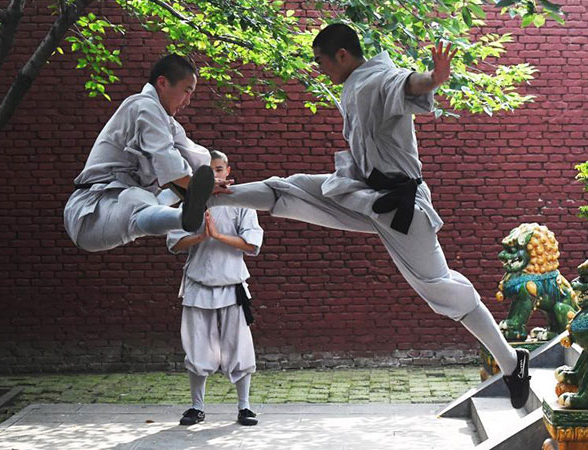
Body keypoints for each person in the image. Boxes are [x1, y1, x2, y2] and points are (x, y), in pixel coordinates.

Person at [209, 23, 530, 408]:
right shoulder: (354, 84)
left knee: (438, 286)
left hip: (400, 207)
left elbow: (407, 83)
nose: (320, 69)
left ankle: (512, 362)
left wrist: (435, 78)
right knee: (291, 188)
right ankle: (213, 199)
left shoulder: (378, 77)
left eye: (321, 61)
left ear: (342, 55)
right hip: (361, 192)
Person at [63, 54, 216, 252]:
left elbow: (194, 156)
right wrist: (197, 186)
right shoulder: (144, 106)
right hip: (90, 213)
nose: (187, 101)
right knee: (139, 199)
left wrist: (210, 186)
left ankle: (186, 212)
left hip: (121, 205)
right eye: (186, 91)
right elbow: (170, 165)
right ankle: (183, 218)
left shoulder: (167, 122)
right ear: (162, 83)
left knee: (156, 196)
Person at [167, 150, 263, 426]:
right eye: (209, 171)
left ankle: (244, 407)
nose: (216, 175)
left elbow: (252, 244)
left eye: (219, 169)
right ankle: (197, 407)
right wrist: (200, 236)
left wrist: (218, 236)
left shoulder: (242, 202)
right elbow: (174, 243)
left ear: (227, 171)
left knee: (239, 348)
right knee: (197, 348)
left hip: (232, 284)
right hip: (198, 285)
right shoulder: (188, 201)